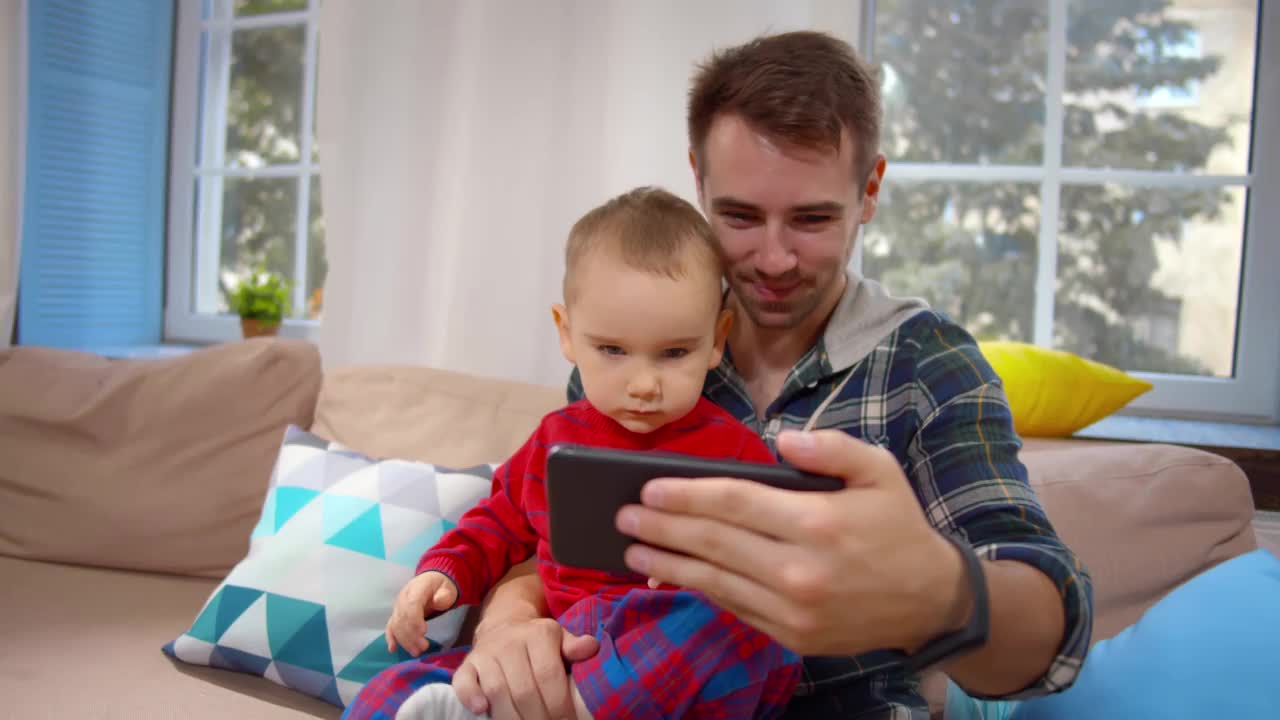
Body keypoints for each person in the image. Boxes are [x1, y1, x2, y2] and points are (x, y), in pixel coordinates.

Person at [449, 30, 1094, 719]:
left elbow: (1052, 631)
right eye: (740, 216)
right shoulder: (637, 350)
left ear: (869, 190)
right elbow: (552, 541)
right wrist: (510, 618)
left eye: (812, 219)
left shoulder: (927, 367)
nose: (776, 258)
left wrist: (938, 592)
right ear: (697, 179)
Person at [344, 187, 803, 720]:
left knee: (744, 620)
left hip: (669, 649)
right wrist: (442, 574)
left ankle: (581, 709)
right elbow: (495, 523)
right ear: (567, 334)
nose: (644, 384)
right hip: (561, 649)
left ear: (717, 339)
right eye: (612, 350)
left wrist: (719, 567)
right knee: (387, 692)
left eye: (675, 353)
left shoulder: (737, 451)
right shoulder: (553, 439)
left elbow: (780, 559)